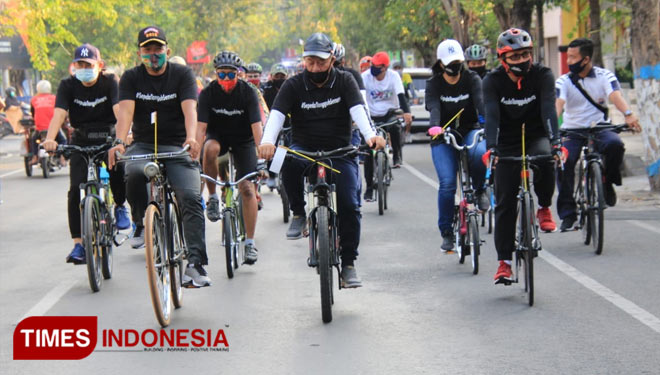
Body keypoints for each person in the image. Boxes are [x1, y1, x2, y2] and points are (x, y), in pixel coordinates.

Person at [258, 32, 385, 288]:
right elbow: (277, 115)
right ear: (304, 61)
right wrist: (267, 141)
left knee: (350, 205)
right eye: (310, 62)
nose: (315, 68)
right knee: (286, 162)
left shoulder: (345, 81)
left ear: (331, 61)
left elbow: (358, 111)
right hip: (304, 147)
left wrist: (371, 136)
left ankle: (348, 264)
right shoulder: (293, 85)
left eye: (320, 63)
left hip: (340, 149)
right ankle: (297, 213)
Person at [107, 26, 209, 287]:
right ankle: (141, 222)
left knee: (190, 196)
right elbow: (126, 114)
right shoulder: (130, 78)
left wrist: (192, 138)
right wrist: (119, 142)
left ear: (167, 50)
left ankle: (196, 264)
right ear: (140, 52)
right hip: (142, 144)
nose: (153, 54)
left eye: (158, 49)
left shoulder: (183, 74)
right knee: (131, 173)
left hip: (177, 146)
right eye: (147, 49)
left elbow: (190, 111)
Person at [483, 28, 561, 284]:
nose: (521, 61)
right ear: (502, 58)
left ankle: (545, 207)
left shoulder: (543, 75)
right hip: (506, 142)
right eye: (514, 57)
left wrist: (556, 143)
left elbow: (549, 109)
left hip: (537, 135)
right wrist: (492, 148)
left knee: (547, 160)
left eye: (525, 54)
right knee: (505, 203)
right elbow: (492, 117)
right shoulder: (492, 81)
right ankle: (504, 262)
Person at [42, 43, 131, 264]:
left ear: (99, 65)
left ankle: (120, 206)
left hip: (108, 137)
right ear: (74, 66)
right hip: (80, 139)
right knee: (75, 190)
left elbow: (119, 110)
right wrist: (50, 139)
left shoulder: (110, 82)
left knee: (117, 168)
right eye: (79, 64)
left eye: (88, 64)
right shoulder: (67, 85)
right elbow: (59, 114)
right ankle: (78, 245)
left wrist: (124, 136)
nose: (84, 68)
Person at [555, 38, 641, 231]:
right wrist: (551, 126)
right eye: (568, 57)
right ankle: (568, 214)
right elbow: (558, 104)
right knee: (562, 161)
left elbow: (615, 96)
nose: (569, 61)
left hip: (600, 127)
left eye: (572, 57)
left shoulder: (605, 76)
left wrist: (628, 114)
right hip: (572, 130)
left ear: (585, 60)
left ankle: (608, 181)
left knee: (615, 145)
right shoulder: (564, 81)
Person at [198, 51, 263, 264]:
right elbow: (201, 128)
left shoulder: (248, 93)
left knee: (246, 188)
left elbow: (256, 128)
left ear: (239, 74)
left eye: (230, 75)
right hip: (219, 138)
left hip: (244, 140)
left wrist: (261, 150)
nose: (226, 79)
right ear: (215, 74)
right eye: (221, 75)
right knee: (209, 150)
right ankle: (214, 198)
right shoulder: (208, 93)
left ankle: (250, 244)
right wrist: (194, 151)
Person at [425, 39, 489, 252]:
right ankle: (446, 232)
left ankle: (480, 190)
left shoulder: (472, 79)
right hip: (443, 135)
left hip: (470, 130)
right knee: (447, 184)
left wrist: (487, 124)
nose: (455, 66)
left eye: (458, 61)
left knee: (481, 156)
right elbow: (433, 107)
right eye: (450, 62)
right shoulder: (433, 84)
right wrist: (435, 127)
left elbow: (481, 103)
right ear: (441, 64)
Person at [361, 51, 412, 201]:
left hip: (390, 113)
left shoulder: (393, 76)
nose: (374, 69)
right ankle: (369, 188)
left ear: (385, 67)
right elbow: (359, 97)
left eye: (378, 67)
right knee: (370, 151)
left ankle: (396, 154)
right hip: (371, 115)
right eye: (373, 66)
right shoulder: (365, 77)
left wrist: (406, 112)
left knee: (395, 127)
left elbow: (401, 96)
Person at [30, 80, 66, 164]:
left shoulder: (34, 99)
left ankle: (35, 157)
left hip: (39, 129)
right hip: (54, 128)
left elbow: (32, 113)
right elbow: (60, 112)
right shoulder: (55, 98)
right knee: (63, 140)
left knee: (33, 139)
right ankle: (62, 157)